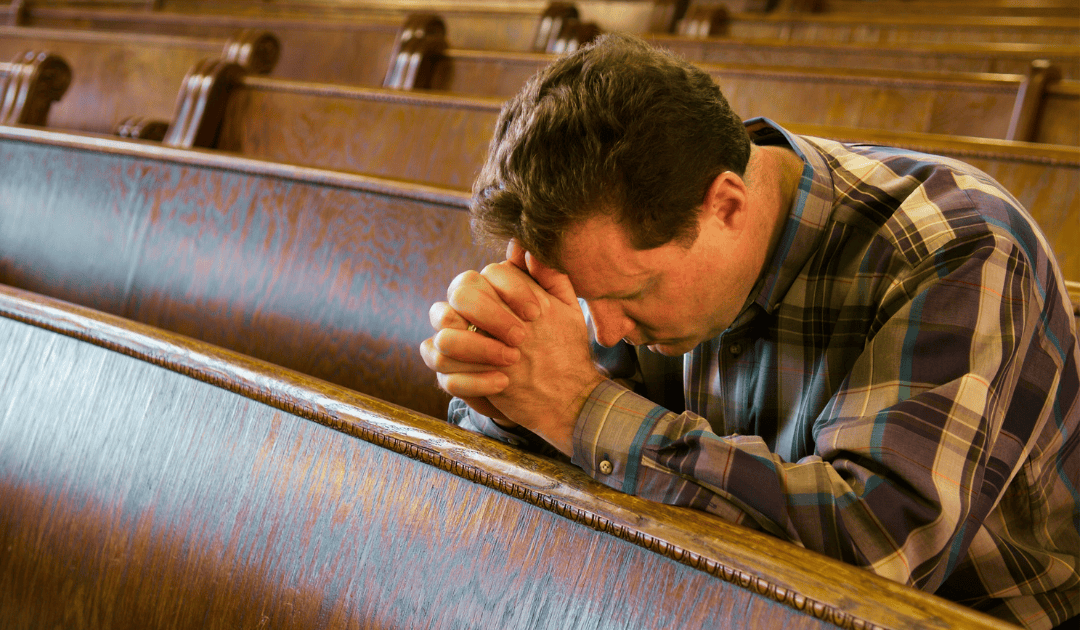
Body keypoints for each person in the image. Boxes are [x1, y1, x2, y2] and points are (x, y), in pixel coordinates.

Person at [419, 33, 1079, 629]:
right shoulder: (628, 253)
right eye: (588, 299)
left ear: (727, 205)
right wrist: (508, 387)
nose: (607, 331)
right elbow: (590, 451)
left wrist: (576, 407)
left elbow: (875, 549)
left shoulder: (958, 248)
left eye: (629, 294)